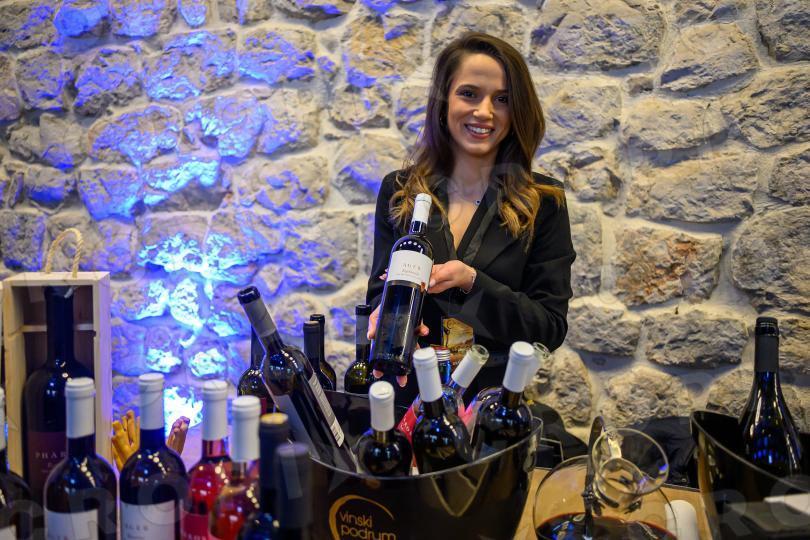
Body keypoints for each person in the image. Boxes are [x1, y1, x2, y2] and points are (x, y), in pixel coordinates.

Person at [366, 32, 576, 404]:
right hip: (406, 398)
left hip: (490, 403)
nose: (484, 111)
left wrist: (472, 283)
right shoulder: (399, 191)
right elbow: (377, 296)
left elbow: (549, 328)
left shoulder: (545, 202)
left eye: (502, 99)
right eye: (469, 94)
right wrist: (382, 314)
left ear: (518, 110)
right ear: (443, 101)